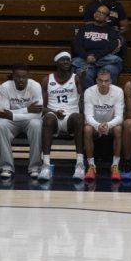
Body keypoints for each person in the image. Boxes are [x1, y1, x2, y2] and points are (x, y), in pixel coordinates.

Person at [39, 51, 86, 180]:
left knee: (78, 117)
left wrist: (83, 81)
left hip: (71, 117)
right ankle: (46, 165)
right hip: (53, 116)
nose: (66, 62)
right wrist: (54, 112)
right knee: (48, 118)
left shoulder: (76, 78)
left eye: (68, 60)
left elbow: (83, 100)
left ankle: (80, 164)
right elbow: (41, 108)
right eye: (62, 60)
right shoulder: (47, 80)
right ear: (56, 63)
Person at [0, 64, 44, 180]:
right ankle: (7, 167)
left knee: (36, 124)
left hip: (28, 120)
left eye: (24, 77)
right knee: (0, 124)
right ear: (13, 77)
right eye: (17, 77)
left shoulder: (35, 86)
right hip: (13, 120)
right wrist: (27, 110)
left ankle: (35, 167)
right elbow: (4, 112)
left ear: (28, 77)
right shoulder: (5, 86)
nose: (21, 80)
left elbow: (38, 113)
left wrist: (13, 115)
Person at [82, 69, 125, 182]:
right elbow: (88, 116)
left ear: (110, 81)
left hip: (110, 125)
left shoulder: (118, 91)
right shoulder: (89, 92)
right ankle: (91, 166)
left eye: (106, 81)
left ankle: (115, 166)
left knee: (118, 129)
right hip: (95, 125)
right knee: (87, 129)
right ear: (96, 80)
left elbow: (119, 117)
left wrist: (108, 125)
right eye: (100, 81)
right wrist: (98, 126)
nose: (103, 84)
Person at [72, 3, 123, 85]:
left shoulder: (111, 31)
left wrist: (96, 56)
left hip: (105, 60)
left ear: (107, 18)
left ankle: (107, 96)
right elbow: (77, 45)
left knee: (110, 70)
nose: (99, 14)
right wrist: (86, 56)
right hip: (86, 60)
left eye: (102, 13)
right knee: (84, 74)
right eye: (98, 11)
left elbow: (111, 46)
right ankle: (89, 97)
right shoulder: (84, 29)